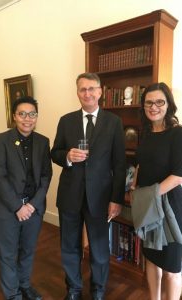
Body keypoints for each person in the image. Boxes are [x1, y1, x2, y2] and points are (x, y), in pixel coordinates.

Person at [51, 72, 126, 300]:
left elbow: (119, 164)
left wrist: (116, 199)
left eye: (92, 88)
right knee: (69, 247)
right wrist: (68, 156)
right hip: (70, 196)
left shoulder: (114, 122)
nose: (87, 93)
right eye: (83, 89)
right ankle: (73, 290)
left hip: (101, 198)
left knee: (100, 250)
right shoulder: (66, 120)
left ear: (100, 91)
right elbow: (55, 153)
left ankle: (98, 291)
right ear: (77, 93)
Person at [131, 82, 182, 300]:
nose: (153, 107)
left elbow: (178, 176)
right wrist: (134, 186)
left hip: (171, 209)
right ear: (143, 106)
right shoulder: (145, 133)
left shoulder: (179, 133)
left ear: (168, 104)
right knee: (152, 259)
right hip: (149, 208)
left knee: (172, 269)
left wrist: (146, 196)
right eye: (149, 102)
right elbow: (140, 165)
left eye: (159, 102)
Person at [0, 96, 52, 300]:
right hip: (8, 209)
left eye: (32, 114)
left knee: (27, 251)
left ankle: (24, 286)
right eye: (22, 114)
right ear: (14, 116)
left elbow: (46, 176)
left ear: (36, 117)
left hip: (33, 209)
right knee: (8, 255)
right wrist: (18, 207)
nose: (28, 119)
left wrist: (32, 205)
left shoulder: (43, 142)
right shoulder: (2, 140)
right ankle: (13, 295)